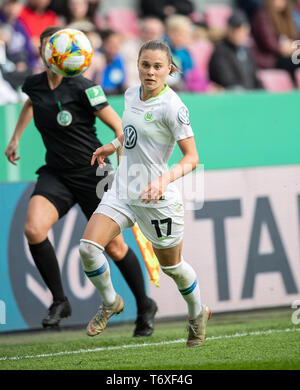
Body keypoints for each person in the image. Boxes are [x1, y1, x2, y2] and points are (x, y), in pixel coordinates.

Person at [4, 26, 157, 337]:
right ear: (44, 52)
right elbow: (32, 104)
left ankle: (144, 305)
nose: (55, 52)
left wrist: (120, 154)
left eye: (58, 46)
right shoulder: (34, 84)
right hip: (56, 173)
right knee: (33, 229)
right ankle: (60, 301)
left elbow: (118, 127)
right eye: (49, 46)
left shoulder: (84, 87)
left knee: (114, 247)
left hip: (93, 173)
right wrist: (16, 137)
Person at [78, 39, 212, 348]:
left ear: (168, 70)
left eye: (157, 67)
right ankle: (111, 302)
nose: (150, 72)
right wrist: (112, 146)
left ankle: (196, 313)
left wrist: (164, 181)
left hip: (156, 199)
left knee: (172, 268)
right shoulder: (129, 94)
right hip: (124, 191)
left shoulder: (173, 107)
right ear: (137, 65)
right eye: (145, 65)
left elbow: (191, 158)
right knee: (87, 248)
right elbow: (130, 134)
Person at [209, 10, 263, 90]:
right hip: (232, 98)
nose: (242, 35)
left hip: (250, 96)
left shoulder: (248, 52)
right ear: (229, 31)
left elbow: (254, 78)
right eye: (239, 31)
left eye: (245, 32)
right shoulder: (220, 52)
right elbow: (226, 80)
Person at [251, 0, 300, 83]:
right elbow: (270, 44)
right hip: (271, 59)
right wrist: (288, 48)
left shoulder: (287, 16)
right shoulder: (262, 16)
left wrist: (294, 48)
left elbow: (296, 39)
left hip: (288, 55)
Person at [120, 16, 165, 88]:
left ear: (160, 35)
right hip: (132, 88)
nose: (149, 36)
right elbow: (127, 75)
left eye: (153, 33)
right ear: (140, 32)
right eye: (146, 32)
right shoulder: (128, 48)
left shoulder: (165, 50)